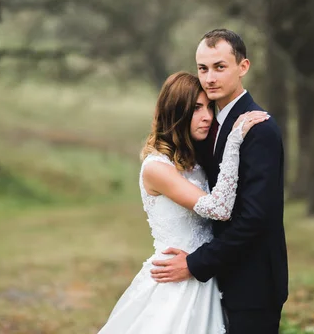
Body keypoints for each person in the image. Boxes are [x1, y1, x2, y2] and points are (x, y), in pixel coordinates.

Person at [97, 71, 269, 334]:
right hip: (174, 280)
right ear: (176, 111)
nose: (208, 117)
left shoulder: (195, 161)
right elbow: (218, 208)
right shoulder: (156, 167)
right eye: (197, 108)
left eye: (209, 108)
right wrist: (234, 142)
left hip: (204, 275)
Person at [150, 29, 289, 334]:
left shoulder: (258, 129)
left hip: (252, 285)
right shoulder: (206, 127)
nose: (210, 77)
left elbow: (255, 218)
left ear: (243, 67)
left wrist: (196, 264)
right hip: (212, 286)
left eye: (220, 67)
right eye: (203, 68)